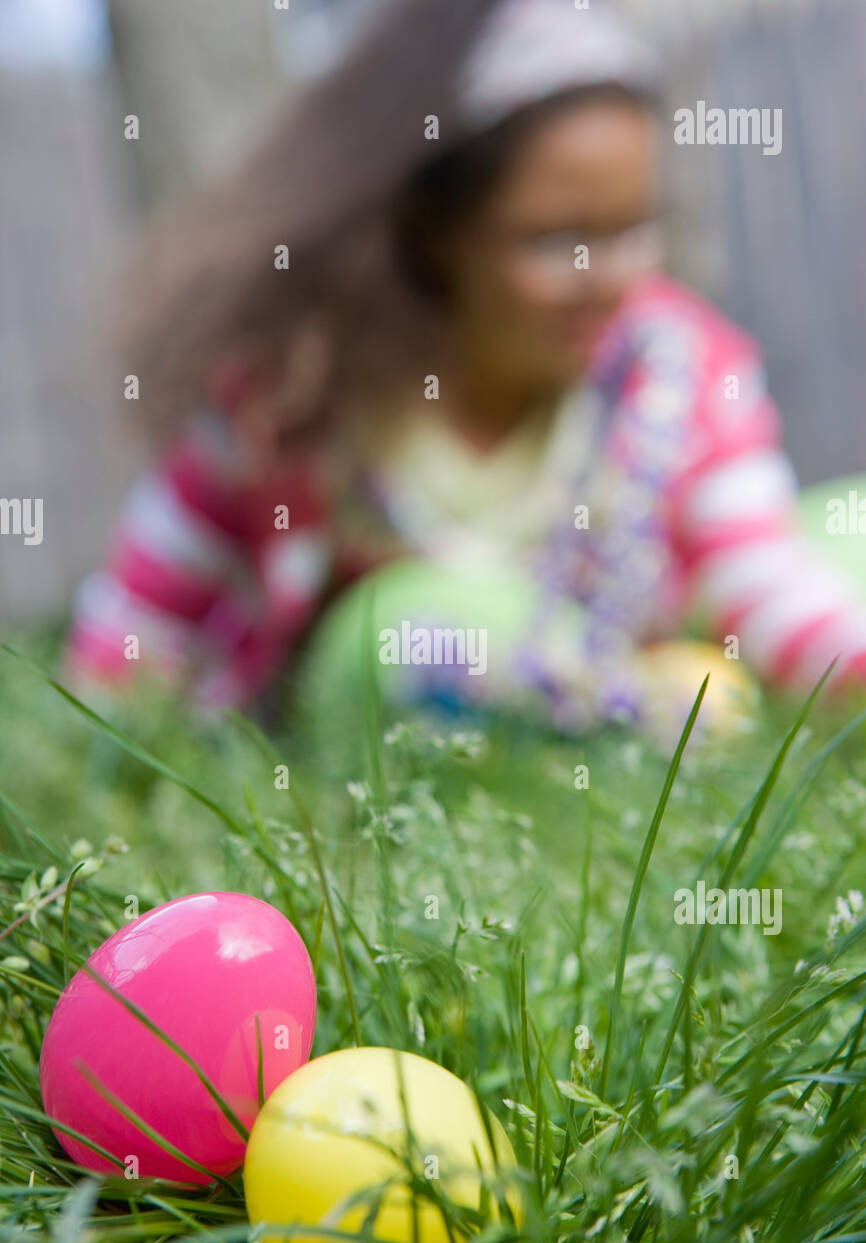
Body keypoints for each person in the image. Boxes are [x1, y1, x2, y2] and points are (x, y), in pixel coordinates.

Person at [66, 0, 866, 729]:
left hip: (658, 651)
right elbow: (135, 629)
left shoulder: (676, 371)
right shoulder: (293, 394)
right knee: (414, 620)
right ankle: (614, 708)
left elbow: (761, 569)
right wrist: (105, 726)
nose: (610, 277)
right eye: (556, 239)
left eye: (633, 229)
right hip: (418, 689)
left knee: (845, 528)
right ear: (432, 229)